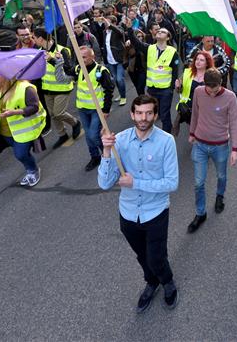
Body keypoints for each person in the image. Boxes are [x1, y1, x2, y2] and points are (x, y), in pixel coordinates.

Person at [98, 95, 179, 313]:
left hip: (156, 212)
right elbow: (105, 183)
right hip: (128, 213)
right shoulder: (120, 141)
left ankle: (167, 281)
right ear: (132, 114)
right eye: (139, 113)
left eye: (148, 113)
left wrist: (136, 182)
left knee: (157, 256)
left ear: (154, 114)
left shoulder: (166, 141)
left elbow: (172, 182)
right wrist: (106, 152)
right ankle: (151, 282)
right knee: (142, 256)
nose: (144, 118)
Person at [187, 68, 237, 232]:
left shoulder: (230, 97)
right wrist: (192, 132)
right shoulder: (198, 91)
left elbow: (235, 123)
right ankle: (200, 213)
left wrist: (235, 149)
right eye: (208, 88)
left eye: (215, 89)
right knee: (198, 182)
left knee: (221, 175)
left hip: (220, 145)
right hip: (200, 144)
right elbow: (195, 113)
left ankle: (219, 196)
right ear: (204, 84)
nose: (211, 92)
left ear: (221, 83)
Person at [0, 71, 46, 187]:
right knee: (21, 152)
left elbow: (34, 107)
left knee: (20, 154)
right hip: (4, 132)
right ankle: (30, 166)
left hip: (24, 130)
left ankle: (33, 170)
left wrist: (15, 112)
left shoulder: (26, 88)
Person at [33, 28, 81, 149]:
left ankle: (75, 123)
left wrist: (52, 60)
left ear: (40, 38)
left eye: (34, 37)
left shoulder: (62, 50)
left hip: (62, 87)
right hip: (47, 88)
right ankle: (62, 134)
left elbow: (68, 69)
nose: (33, 40)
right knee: (53, 115)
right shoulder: (38, 51)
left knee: (58, 113)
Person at [128, 27, 180, 133]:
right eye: (158, 31)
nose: (159, 32)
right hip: (152, 89)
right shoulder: (149, 48)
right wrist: (129, 29)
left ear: (168, 37)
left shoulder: (172, 52)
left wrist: (171, 88)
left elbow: (175, 72)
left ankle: (167, 137)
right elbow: (136, 42)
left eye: (163, 32)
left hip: (165, 90)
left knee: (164, 114)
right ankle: (151, 136)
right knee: (152, 113)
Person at [75, 46, 115, 171]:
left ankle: (108, 155)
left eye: (84, 57)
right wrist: (57, 61)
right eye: (79, 57)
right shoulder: (78, 68)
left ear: (92, 57)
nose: (81, 60)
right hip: (82, 108)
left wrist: (106, 110)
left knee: (93, 135)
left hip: (97, 110)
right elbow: (64, 76)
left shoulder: (101, 71)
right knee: (88, 135)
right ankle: (95, 157)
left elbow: (109, 90)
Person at [174, 49, 212, 137]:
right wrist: (178, 86)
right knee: (194, 128)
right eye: (197, 59)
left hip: (203, 110)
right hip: (188, 108)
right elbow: (179, 91)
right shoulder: (187, 73)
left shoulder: (210, 75)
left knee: (200, 131)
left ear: (207, 63)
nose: (198, 62)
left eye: (201, 60)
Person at [99, 14, 128, 106]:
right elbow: (104, 46)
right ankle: (120, 94)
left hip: (119, 60)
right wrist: (105, 59)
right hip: (110, 60)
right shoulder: (104, 32)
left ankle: (123, 97)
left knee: (120, 79)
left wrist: (110, 25)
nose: (105, 24)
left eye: (107, 22)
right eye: (104, 23)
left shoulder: (118, 30)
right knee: (115, 79)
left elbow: (120, 32)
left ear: (114, 23)